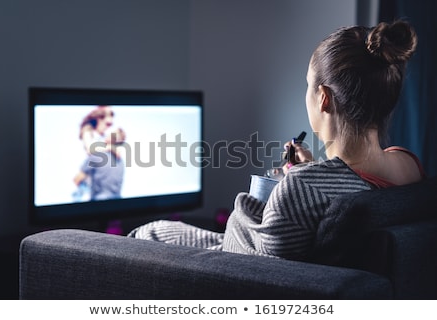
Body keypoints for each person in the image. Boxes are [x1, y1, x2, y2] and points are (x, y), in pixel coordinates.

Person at [129, 20, 426, 261]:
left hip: (231, 264)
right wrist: (310, 170)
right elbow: (351, 182)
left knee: (150, 233)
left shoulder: (303, 187)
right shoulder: (408, 164)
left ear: (323, 99)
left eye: (307, 85)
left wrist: (278, 186)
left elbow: (246, 256)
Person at [73, 127, 126, 201]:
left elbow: (77, 179)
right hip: (118, 204)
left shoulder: (97, 156)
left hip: (98, 204)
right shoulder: (121, 162)